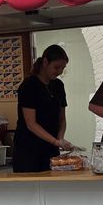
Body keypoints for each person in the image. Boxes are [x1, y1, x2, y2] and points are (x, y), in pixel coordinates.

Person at [12, 45, 73, 173]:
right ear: (45, 62)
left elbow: (62, 119)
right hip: (28, 149)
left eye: (63, 68)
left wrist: (60, 138)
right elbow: (31, 124)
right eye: (57, 67)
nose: (60, 72)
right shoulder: (29, 86)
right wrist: (56, 141)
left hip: (51, 149)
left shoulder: (58, 86)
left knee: (51, 187)